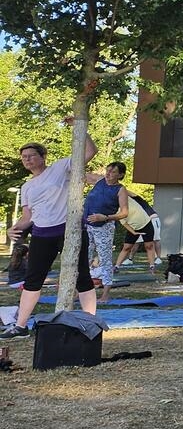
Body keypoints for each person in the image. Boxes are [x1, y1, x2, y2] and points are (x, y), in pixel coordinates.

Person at [0, 133, 100, 339]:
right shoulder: (27, 187)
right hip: (41, 234)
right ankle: (20, 326)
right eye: (24, 157)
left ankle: (91, 323)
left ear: (43, 156)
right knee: (33, 278)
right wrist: (13, 229)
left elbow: (90, 152)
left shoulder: (60, 168)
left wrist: (80, 128)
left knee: (81, 274)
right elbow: (28, 216)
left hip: (69, 230)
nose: (27, 159)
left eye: (31, 155)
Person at [82, 161, 130, 303]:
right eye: (107, 170)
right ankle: (80, 291)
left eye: (112, 172)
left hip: (104, 226)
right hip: (86, 225)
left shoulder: (120, 190)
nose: (108, 174)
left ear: (120, 175)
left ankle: (105, 295)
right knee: (84, 259)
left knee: (105, 259)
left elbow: (124, 212)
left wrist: (106, 217)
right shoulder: (99, 181)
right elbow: (81, 174)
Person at [114, 192, 161, 269]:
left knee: (150, 244)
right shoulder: (117, 210)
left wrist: (120, 189)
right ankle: (118, 265)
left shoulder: (131, 199)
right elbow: (124, 223)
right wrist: (133, 232)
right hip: (134, 227)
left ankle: (154, 263)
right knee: (128, 246)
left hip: (148, 223)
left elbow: (127, 192)